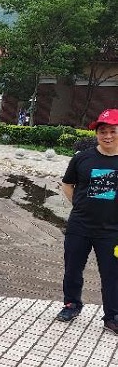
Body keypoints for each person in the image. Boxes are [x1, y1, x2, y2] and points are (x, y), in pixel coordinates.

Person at [55, 108, 118, 334]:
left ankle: (112, 316)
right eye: (103, 131)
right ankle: (71, 304)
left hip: (112, 230)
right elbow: (67, 184)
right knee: (72, 268)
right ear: (96, 133)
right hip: (79, 226)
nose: (107, 136)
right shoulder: (82, 158)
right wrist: (79, 206)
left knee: (112, 274)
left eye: (112, 131)